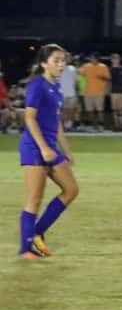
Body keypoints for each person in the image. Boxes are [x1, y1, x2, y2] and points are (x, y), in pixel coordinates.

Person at [17, 44, 79, 259]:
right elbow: (29, 118)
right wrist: (43, 147)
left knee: (71, 190)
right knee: (34, 198)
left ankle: (36, 233)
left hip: (50, 148)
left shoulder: (56, 87)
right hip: (34, 147)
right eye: (56, 60)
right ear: (44, 63)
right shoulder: (38, 84)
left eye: (63, 60)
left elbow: (56, 122)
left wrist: (66, 151)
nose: (61, 64)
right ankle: (25, 250)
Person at [79, 53, 111, 131]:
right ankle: (93, 126)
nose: (92, 59)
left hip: (99, 92)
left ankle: (101, 126)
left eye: (94, 58)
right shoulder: (86, 66)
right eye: (91, 58)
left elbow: (108, 79)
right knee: (90, 111)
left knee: (100, 110)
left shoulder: (103, 67)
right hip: (88, 92)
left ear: (97, 59)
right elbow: (80, 73)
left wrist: (101, 77)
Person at [59, 53, 79, 130]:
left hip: (72, 93)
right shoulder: (59, 67)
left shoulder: (73, 68)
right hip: (62, 93)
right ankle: (63, 125)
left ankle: (69, 125)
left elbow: (76, 81)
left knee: (72, 110)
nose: (68, 58)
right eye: (67, 57)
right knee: (64, 110)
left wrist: (77, 92)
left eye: (69, 57)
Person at [109, 53, 122, 131]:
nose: (116, 60)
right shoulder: (109, 69)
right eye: (114, 58)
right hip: (113, 91)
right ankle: (116, 125)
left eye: (117, 58)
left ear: (119, 59)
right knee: (115, 109)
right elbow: (108, 82)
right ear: (111, 60)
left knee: (121, 109)